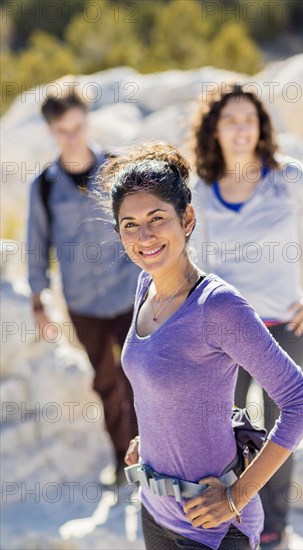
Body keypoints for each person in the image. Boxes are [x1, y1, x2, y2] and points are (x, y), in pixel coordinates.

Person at [101, 142, 303, 550]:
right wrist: (151, 438)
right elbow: (162, 382)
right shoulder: (145, 284)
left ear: (186, 218)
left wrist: (237, 497)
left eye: (157, 218)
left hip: (214, 528)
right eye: (129, 224)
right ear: (118, 233)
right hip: (154, 511)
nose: (144, 236)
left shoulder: (218, 306)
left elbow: (302, 405)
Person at [189, 83, 303, 548]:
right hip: (225, 334)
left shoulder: (288, 176)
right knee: (226, 431)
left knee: (284, 429)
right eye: (231, 120)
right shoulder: (201, 191)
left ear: (262, 126)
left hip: (284, 328)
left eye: (250, 119)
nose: (241, 129)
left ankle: (273, 529)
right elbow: (195, 266)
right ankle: (230, 519)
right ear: (215, 129)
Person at [26, 85, 141, 485]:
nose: (72, 136)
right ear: (51, 131)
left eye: (77, 126)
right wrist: (38, 300)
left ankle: (155, 456)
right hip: (82, 301)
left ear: (87, 120)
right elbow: (36, 245)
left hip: (130, 293)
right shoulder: (42, 187)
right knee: (106, 381)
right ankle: (122, 461)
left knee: (141, 376)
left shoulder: (118, 169)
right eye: (63, 130)